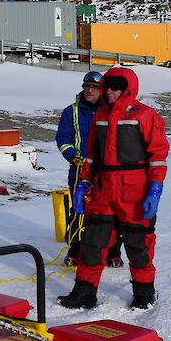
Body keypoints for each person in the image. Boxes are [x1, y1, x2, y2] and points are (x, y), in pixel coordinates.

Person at [58, 66, 168, 310]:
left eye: (115, 87)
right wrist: (83, 184)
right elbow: (91, 156)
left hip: (135, 193)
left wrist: (155, 189)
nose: (109, 92)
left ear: (127, 89)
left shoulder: (145, 115)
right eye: (107, 87)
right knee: (93, 243)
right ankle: (84, 292)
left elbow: (158, 156)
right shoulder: (100, 117)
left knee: (139, 246)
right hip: (103, 191)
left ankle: (144, 293)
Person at [56, 71, 123, 267]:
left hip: (106, 171)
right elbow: (63, 139)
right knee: (78, 210)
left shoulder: (110, 111)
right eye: (86, 86)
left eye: (94, 87)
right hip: (78, 170)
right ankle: (75, 250)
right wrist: (72, 156)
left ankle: (113, 251)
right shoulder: (71, 111)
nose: (89, 90)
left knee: (110, 211)